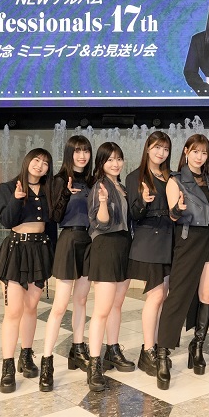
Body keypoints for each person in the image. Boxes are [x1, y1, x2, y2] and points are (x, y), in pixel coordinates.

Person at [0, 148, 55, 394]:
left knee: (31, 308)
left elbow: (52, 225)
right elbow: (6, 221)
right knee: (13, 311)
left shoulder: (48, 190)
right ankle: (7, 367)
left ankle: (26, 355)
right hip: (15, 250)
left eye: (45, 163)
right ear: (27, 161)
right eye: (36, 160)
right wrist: (16, 198)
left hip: (40, 250)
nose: (40, 165)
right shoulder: (7, 187)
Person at [155, 134, 209, 390]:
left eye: (204, 153)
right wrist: (178, 209)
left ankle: (198, 346)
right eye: (195, 151)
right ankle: (163, 353)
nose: (199, 157)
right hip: (188, 238)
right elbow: (173, 215)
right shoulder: (175, 180)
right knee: (178, 295)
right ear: (186, 152)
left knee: (207, 294)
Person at [39, 136, 93, 392]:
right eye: (77, 151)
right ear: (69, 153)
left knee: (81, 301)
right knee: (60, 306)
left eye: (86, 151)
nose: (82, 156)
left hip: (89, 241)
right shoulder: (59, 180)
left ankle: (77, 349)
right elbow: (53, 217)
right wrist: (64, 195)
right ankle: (46, 361)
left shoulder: (92, 181)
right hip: (69, 239)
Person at [84, 142, 134, 392]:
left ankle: (112, 350)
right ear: (101, 163)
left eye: (119, 159)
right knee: (102, 310)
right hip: (105, 246)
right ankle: (94, 365)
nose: (115, 164)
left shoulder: (121, 187)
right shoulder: (100, 187)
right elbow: (101, 222)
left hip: (123, 246)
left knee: (116, 305)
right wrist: (103, 203)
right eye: (110, 159)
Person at [125, 131, 173, 377]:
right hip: (150, 238)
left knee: (163, 295)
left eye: (165, 149)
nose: (160, 153)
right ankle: (147, 350)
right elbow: (133, 214)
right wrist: (143, 200)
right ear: (147, 148)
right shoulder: (136, 177)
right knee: (156, 295)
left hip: (169, 239)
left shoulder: (170, 176)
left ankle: (156, 345)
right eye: (156, 147)